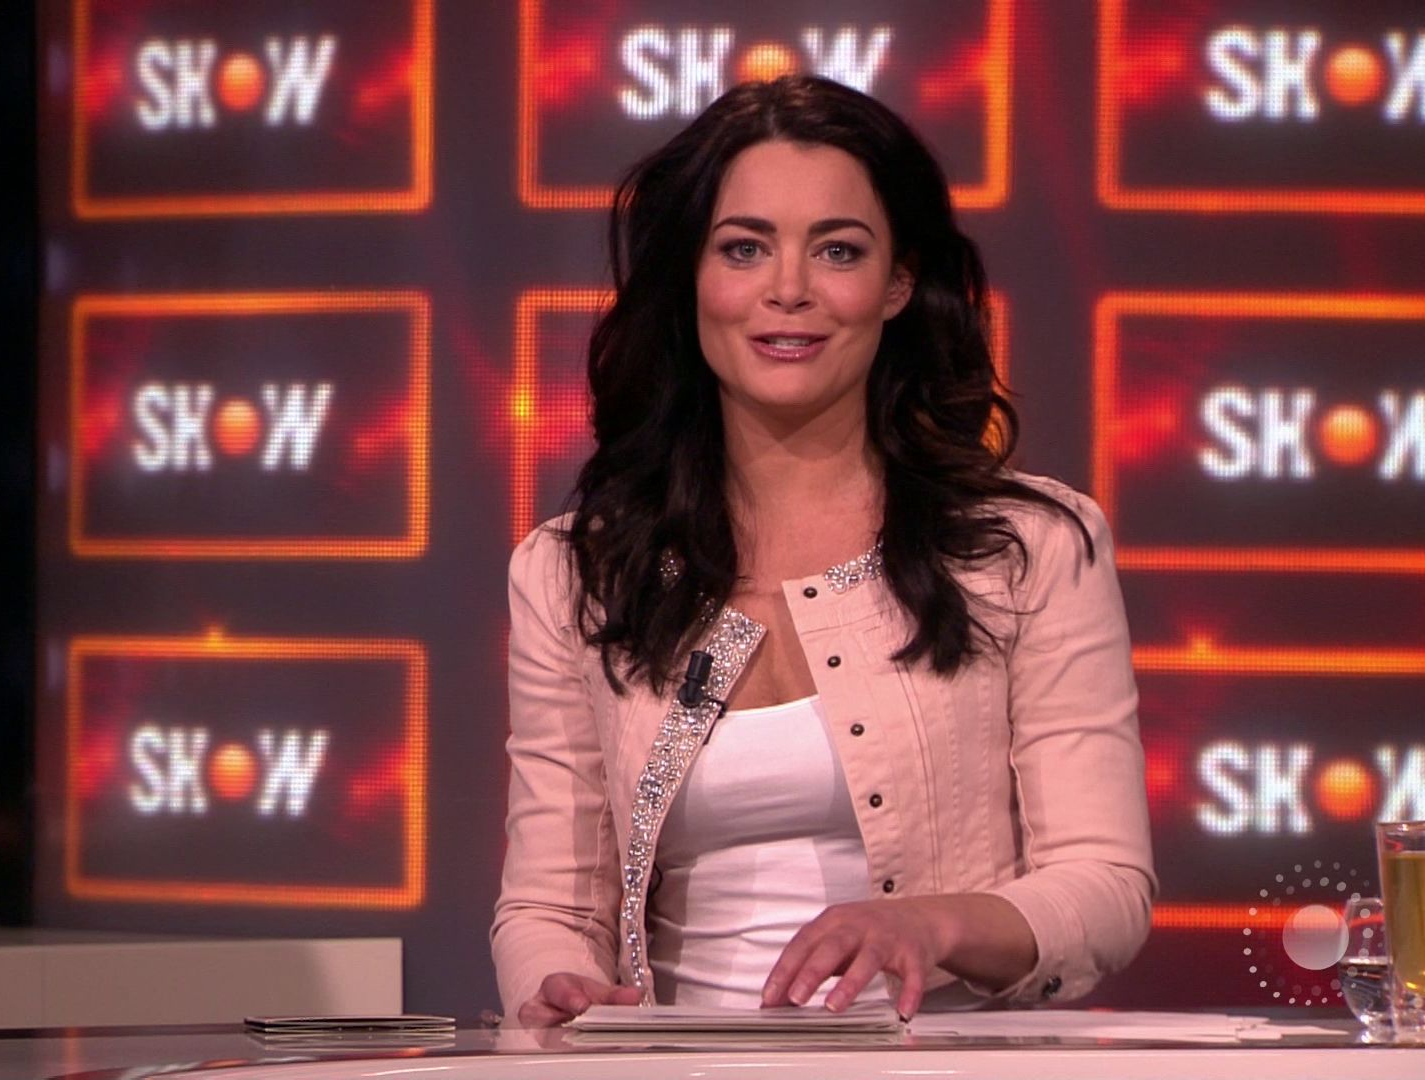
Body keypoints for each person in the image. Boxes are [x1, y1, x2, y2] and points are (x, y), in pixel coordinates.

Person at [492, 75, 1155, 1027]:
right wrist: (558, 985)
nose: (789, 290)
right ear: (691, 279)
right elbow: (549, 907)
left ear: (898, 283)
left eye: (837, 250)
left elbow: (1104, 885)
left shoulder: (1028, 549)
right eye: (744, 248)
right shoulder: (577, 573)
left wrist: (929, 925)